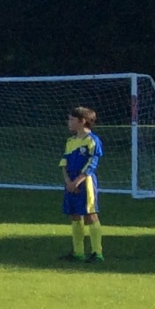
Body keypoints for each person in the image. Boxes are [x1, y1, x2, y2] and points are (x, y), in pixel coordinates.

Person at [61, 106, 104, 264]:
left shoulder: (92, 140)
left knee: (90, 214)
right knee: (74, 214)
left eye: (72, 119)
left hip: (85, 181)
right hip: (71, 181)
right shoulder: (71, 141)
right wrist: (68, 181)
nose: (69, 122)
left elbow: (92, 163)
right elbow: (64, 161)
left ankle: (97, 252)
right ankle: (78, 252)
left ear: (82, 121)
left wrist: (78, 181)